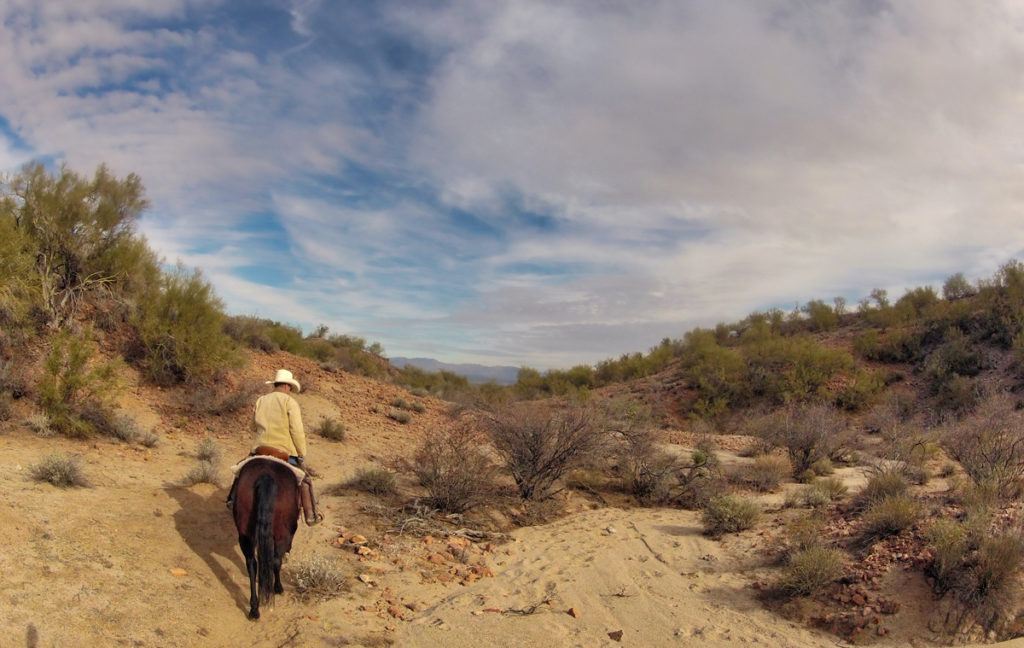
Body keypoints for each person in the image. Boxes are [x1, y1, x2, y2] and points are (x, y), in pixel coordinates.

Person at [226, 369, 323, 526]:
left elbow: (253, 426)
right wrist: (301, 453)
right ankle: (311, 515)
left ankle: (232, 499)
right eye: (290, 388)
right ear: (286, 386)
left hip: (260, 448)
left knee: (240, 470)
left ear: (276, 385)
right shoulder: (290, 402)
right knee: (305, 480)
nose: (290, 391)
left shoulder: (261, 400)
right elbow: (296, 430)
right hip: (285, 452)